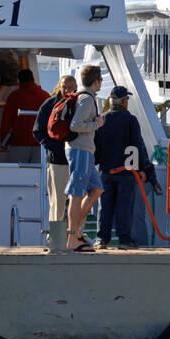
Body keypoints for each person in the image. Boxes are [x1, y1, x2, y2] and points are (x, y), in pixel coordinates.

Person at [92, 86, 152, 249]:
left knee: (104, 206)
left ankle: (101, 239)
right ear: (124, 102)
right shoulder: (130, 120)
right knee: (124, 207)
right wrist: (141, 169)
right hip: (126, 171)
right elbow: (136, 146)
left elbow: (95, 148)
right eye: (126, 100)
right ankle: (124, 241)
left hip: (105, 171)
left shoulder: (102, 119)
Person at [64, 64, 106, 252]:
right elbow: (75, 125)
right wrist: (96, 124)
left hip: (85, 150)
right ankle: (72, 239)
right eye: (100, 80)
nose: (101, 83)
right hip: (80, 149)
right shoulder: (87, 99)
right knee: (77, 193)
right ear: (96, 81)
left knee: (97, 189)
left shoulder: (87, 98)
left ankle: (76, 232)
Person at [32, 74, 78, 224]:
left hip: (77, 159)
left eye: (71, 87)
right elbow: (38, 131)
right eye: (64, 87)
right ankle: (55, 238)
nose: (67, 90)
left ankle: (74, 236)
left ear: (76, 87)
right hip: (58, 161)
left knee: (77, 199)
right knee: (57, 201)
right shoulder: (49, 104)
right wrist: (55, 148)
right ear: (59, 86)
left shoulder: (80, 104)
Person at [0, 69, 49, 163]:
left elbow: (6, 120)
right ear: (33, 79)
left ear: (19, 80)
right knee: (38, 174)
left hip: (19, 141)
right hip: (40, 143)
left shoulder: (14, 96)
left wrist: (3, 141)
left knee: (18, 174)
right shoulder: (45, 95)